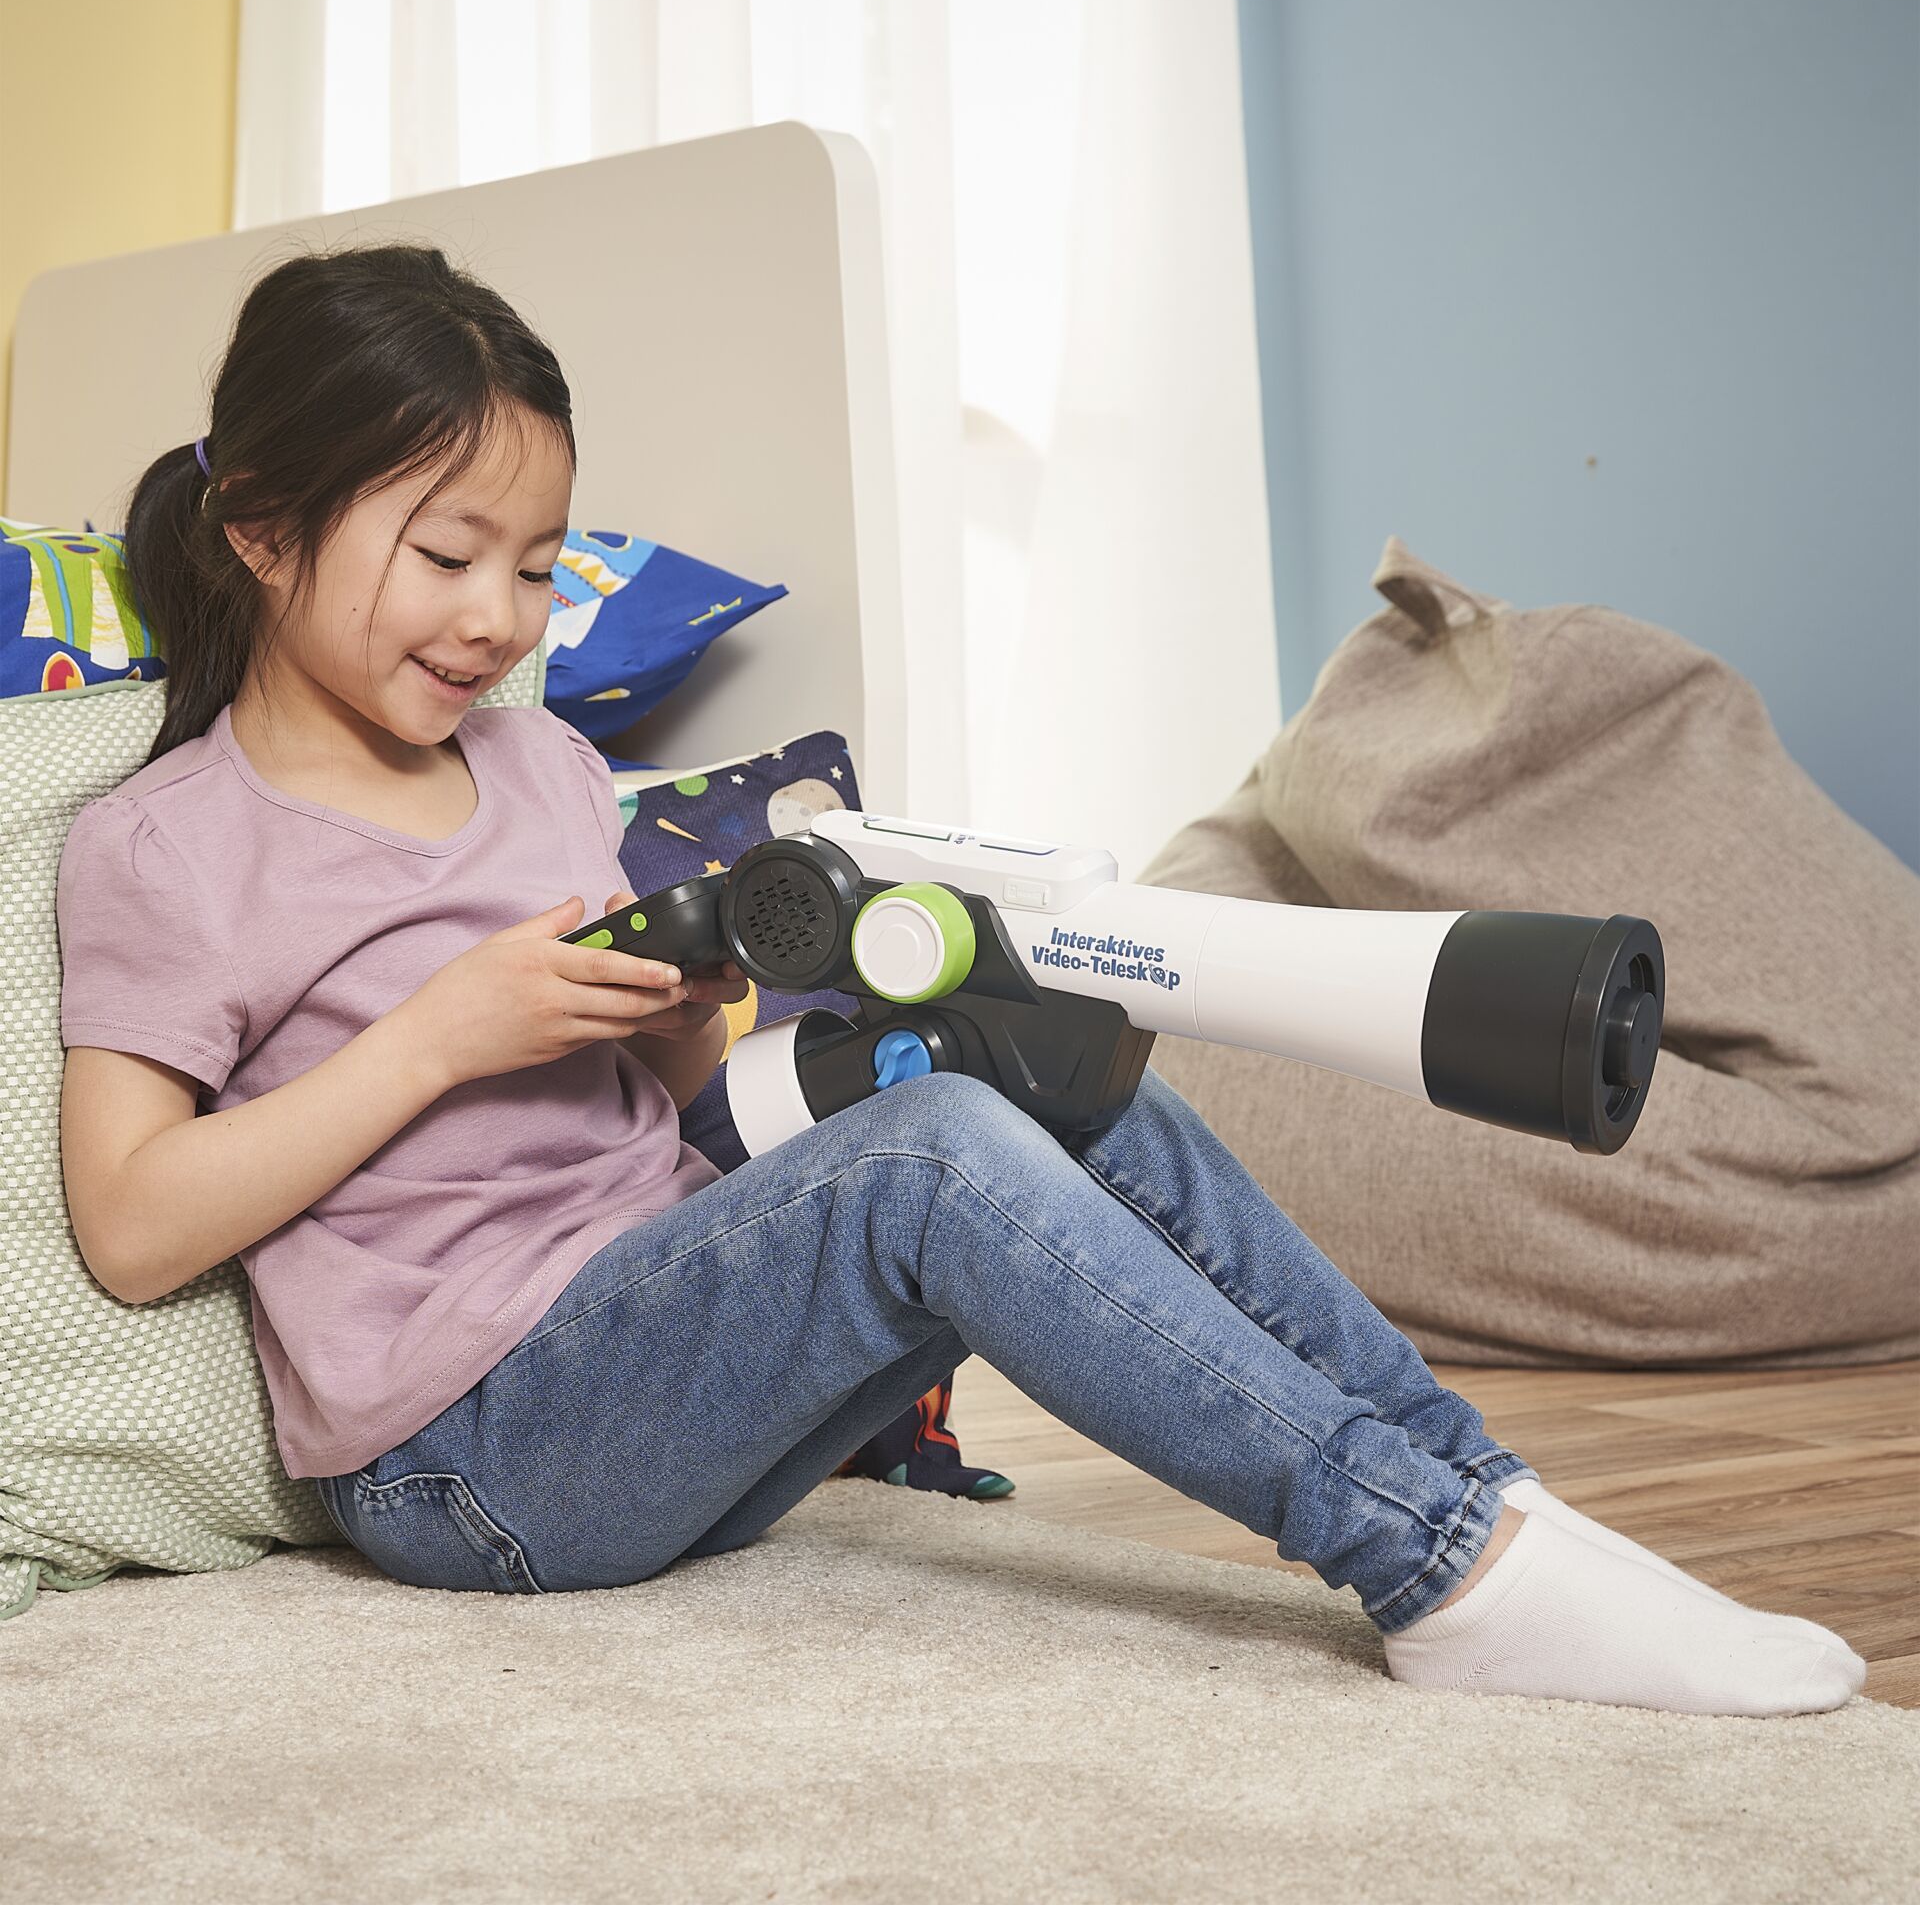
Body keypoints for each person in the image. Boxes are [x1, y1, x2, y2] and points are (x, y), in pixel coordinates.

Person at [56, 244, 1863, 1720]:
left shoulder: (532, 766)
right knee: (929, 1157)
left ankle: (1489, 1503)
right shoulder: (167, 846)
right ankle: (1437, 1568)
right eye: (446, 556)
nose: (499, 619)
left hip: (662, 1352)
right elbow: (135, 1227)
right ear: (263, 530)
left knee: (1065, 1093)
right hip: (471, 1464)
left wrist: (684, 1019)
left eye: (534, 568)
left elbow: (667, 1124)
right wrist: (440, 1040)